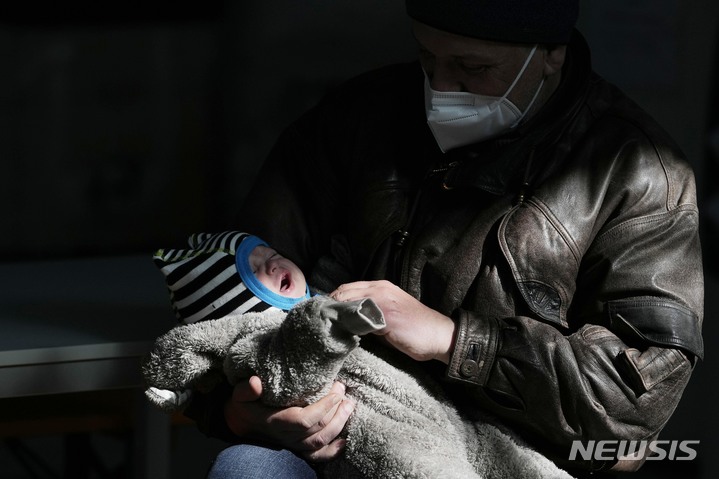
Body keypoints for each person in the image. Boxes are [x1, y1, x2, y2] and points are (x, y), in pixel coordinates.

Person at [186, 1, 705, 477]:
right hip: (341, 437)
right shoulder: (354, 121)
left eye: (475, 68)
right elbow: (227, 301)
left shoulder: (637, 173)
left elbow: (638, 396)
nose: (442, 88)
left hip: (509, 457)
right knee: (249, 467)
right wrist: (241, 413)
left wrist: (454, 340)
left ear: (551, 55)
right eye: (428, 59)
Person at [144, 230, 574, 479]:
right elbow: (189, 349)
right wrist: (230, 412)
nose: (275, 265)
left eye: (273, 256)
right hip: (378, 437)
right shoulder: (260, 337)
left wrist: (453, 339)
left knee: (514, 459)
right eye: (255, 271)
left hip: (457, 415)